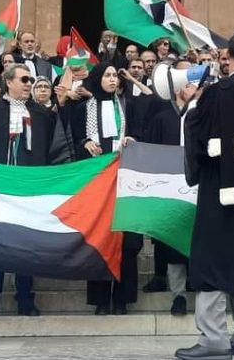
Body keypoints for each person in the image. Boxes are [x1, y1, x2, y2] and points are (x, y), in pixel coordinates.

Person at [175, 32, 234, 360]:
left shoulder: (219, 92)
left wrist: (190, 105)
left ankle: (214, 339)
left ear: (227, 55)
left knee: (210, 258)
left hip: (221, 189)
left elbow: (198, 135)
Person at [0, 65, 54, 318]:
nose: (29, 84)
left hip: (28, 189)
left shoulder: (42, 114)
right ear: (8, 82)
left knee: (26, 243)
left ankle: (25, 298)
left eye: (30, 80)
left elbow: (49, 151)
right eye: (24, 79)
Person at [71, 62, 144, 315]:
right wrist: (85, 143)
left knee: (128, 241)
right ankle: (101, 299)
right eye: (107, 75)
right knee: (100, 239)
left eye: (115, 75)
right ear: (97, 79)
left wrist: (132, 139)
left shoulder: (127, 105)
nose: (113, 79)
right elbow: (74, 141)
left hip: (124, 180)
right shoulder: (82, 109)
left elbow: (140, 133)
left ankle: (122, 298)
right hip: (98, 182)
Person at [142, 62, 200, 316]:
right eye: (188, 83)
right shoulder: (161, 118)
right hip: (169, 191)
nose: (193, 87)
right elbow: (150, 152)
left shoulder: (202, 115)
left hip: (197, 189)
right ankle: (178, 296)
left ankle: (199, 286)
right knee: (172, 245)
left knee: (197, 240)